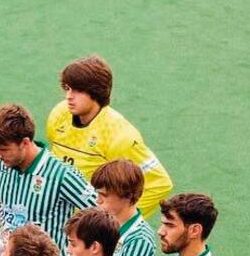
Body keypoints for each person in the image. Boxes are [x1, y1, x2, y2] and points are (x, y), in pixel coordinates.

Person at [0, 103, 97, 256]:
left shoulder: (61, 175)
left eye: (3, 149)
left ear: (25, 143)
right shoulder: (2, 162)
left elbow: (101, 215)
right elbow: (2, 200)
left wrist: (75, 255)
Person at [46, 55, 173, 217]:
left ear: (96, 92)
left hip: (89, 228)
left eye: (77, 90)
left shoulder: (120, 135)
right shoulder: (59, 115)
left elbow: (159, 184)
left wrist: (117, 221)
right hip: (54, 218)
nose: (69, 96)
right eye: (67, 88)